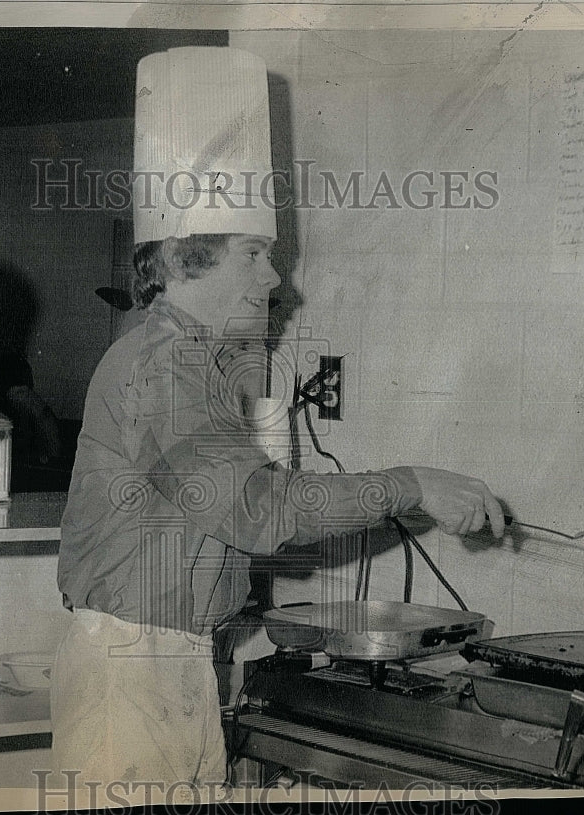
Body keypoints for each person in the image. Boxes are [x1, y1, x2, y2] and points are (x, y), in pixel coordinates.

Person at [51, 47, 505, 797]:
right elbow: (260, 512)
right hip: (131, 674)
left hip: (174, 663)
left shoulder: (193, 365)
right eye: (256, 253)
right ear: (187, 256)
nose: (274, 278)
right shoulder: (163, 367)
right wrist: (412, 483)